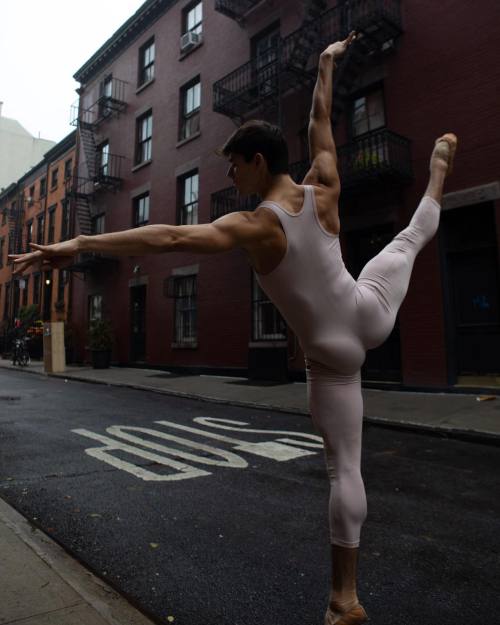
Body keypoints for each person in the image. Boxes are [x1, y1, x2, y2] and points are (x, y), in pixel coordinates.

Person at [9, 31, 457, 625]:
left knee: (343, 470)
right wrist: (324, 64)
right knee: (407, 239)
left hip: (330, 354)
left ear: (259, 163)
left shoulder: (256, 224)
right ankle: (437, 176)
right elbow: (322, 121)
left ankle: (344, 599)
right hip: (367, 310)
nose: (230, 172)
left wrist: (78, 243)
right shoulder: (324, 186)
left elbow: (167, 237)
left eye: (234, 164)